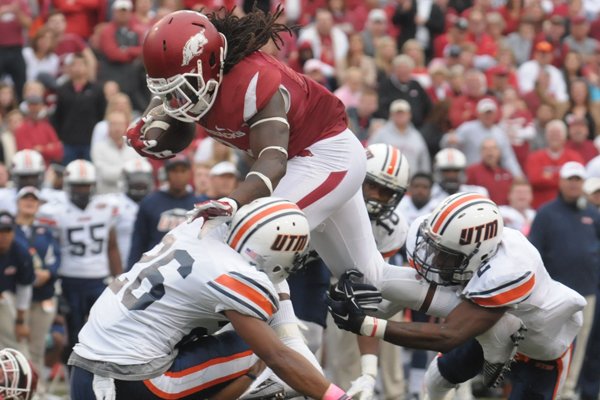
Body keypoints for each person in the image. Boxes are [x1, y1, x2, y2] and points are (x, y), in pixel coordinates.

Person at [69, 198, 350, 400]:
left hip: (88, 361)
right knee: (263, 351)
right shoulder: (234, 277)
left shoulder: (198, 228)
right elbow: (277, 355)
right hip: (131, 379)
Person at [327, 192, 587, 399]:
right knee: (436, 379)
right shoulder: (457, 243)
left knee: (499, 326)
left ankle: (496, 349)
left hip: (541, 347)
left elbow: (448, 335)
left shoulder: (510, 267)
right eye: (436, 248)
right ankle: (493, 348)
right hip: (488, 325)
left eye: (446, 255)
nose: (436, 258)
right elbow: (413, 291)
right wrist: (370, 301)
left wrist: (366, 324)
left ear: (479, 252)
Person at [528, 161, 600, 400]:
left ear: (583, 183)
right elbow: (534, 252)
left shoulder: (591, 213)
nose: (573, 184)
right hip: (555, 293)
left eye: (578, 180)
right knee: (553, 343)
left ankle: (568, 392)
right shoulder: (546, 213)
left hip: (587, 290)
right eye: (570, 179)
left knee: (581, 345)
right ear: (561, 182)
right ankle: (553, 391)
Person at [38, 160, 122, 363]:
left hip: (99, 278)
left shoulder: (106, 207)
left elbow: (111, 245)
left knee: (105, 329)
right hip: (69, 279)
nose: (83, 191)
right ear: (68, 185)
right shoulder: (54, 211)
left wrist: (119, 278)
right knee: (73, 333)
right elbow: (50, 250)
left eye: (86, 186)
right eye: (78, 186)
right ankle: (73, 375)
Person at [14, 186, 60, 383]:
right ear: (17, 202)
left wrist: (48, 273)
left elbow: (56, 257)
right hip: (14, 294)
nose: (29, 202)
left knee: (37, 346)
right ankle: (15, 388)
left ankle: (36, 390)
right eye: (26, 198)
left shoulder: (45, 231)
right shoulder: (8, 228)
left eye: (34, 199)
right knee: (15, 346)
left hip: (42, 294)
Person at [127, 154, 199, 268]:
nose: (178, 175)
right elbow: (139, 241)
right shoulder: (150, 202)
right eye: (174, 171)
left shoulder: (199, 204)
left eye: (183, 170)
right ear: (166, 174)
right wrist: (131, 270)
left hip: (188, 268)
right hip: (154, 268)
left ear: (189, 173)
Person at [0, 211, 34, 351]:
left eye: (7, 231)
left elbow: (24, 287)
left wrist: (20, 321)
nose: (4, 236)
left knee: (16, 343)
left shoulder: (21, 252)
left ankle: (23, 370)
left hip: (7, 298)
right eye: (1, 231)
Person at [115, 158, 154, 269]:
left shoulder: (156, 203)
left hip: (149, 266)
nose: (139, 184)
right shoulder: (114, 204)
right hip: (121, 265)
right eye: (135, 181)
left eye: (143, 181)